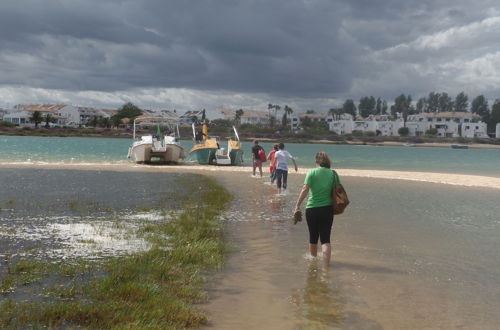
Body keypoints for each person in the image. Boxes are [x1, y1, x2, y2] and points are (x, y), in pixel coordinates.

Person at [293, 151, 335, 264]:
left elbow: (305, 189)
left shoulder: (311, 172)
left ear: (316, 161)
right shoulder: (333, 174)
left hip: (312, 209)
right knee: (325, 238)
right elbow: (337, 191)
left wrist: (297, 205)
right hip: (327, 209)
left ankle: (313, 263)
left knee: (313, 236)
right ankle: (326, 267)